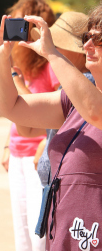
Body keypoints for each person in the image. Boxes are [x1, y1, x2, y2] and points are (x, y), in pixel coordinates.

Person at [0, 4, 102, 251]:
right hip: (69, 237)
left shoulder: (87, 101)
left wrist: (51, 53)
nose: (87, 45)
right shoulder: (74, 98)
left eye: (98, 39)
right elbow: (11, 108)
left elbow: (95, 112)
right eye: (87, 37)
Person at [0, 0, 59, 251]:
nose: (16, 26)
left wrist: (46, 144)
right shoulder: (17, 61)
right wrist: (5, 145)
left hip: (39, 155)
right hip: (18, 153)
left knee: (39, 236)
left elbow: (64, 108)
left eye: (21, 21)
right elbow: (13, 110)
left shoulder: (51, 64)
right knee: (21, 232)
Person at [29, 12, 94, 187]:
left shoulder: (86, 85)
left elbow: (24, 123)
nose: (53, 47)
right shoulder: (71, 87)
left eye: (58, 43)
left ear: (80, 52)